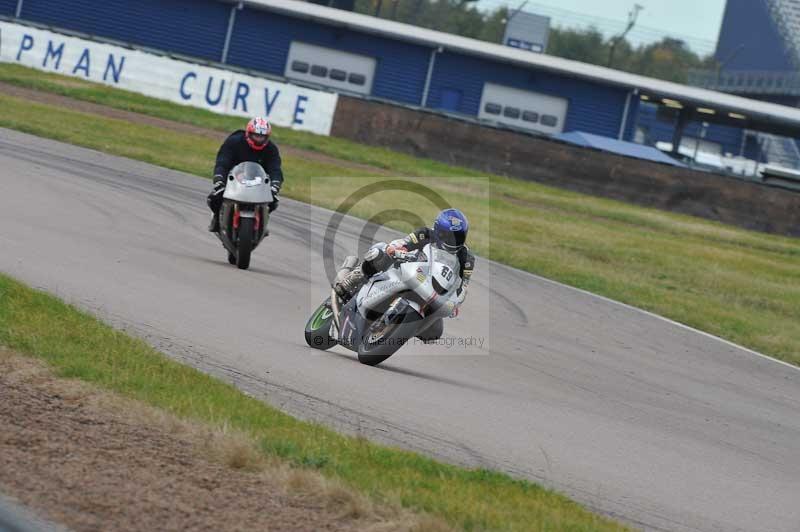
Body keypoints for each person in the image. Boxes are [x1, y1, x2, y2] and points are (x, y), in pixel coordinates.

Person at [333, 208, 475, 341]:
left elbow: (463, 285)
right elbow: (405, 243)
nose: (453, 241)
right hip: (407, 266)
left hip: (430, 287)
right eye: (449, 236)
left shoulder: (466, 257)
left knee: (435, 332)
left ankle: (401, 329)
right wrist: (395, 250)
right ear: (439, 231)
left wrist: (456, 304)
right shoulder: (425, 234)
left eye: (459, 237)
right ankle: (352, 280)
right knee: (380, 253)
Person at [207, 117, 283, 232]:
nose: (259, 139)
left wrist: (275, 184)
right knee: (214, 197)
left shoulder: (271, 149)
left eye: (262, 136)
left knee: (273, 201)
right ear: (249, 133)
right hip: (233, 179)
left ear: (267, 137)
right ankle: (217, 218)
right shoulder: (234, 142)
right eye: (256, 135)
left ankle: (262, 222)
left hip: (258, 182)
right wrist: (219, 178)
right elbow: (223, 161)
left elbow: (275, 169)